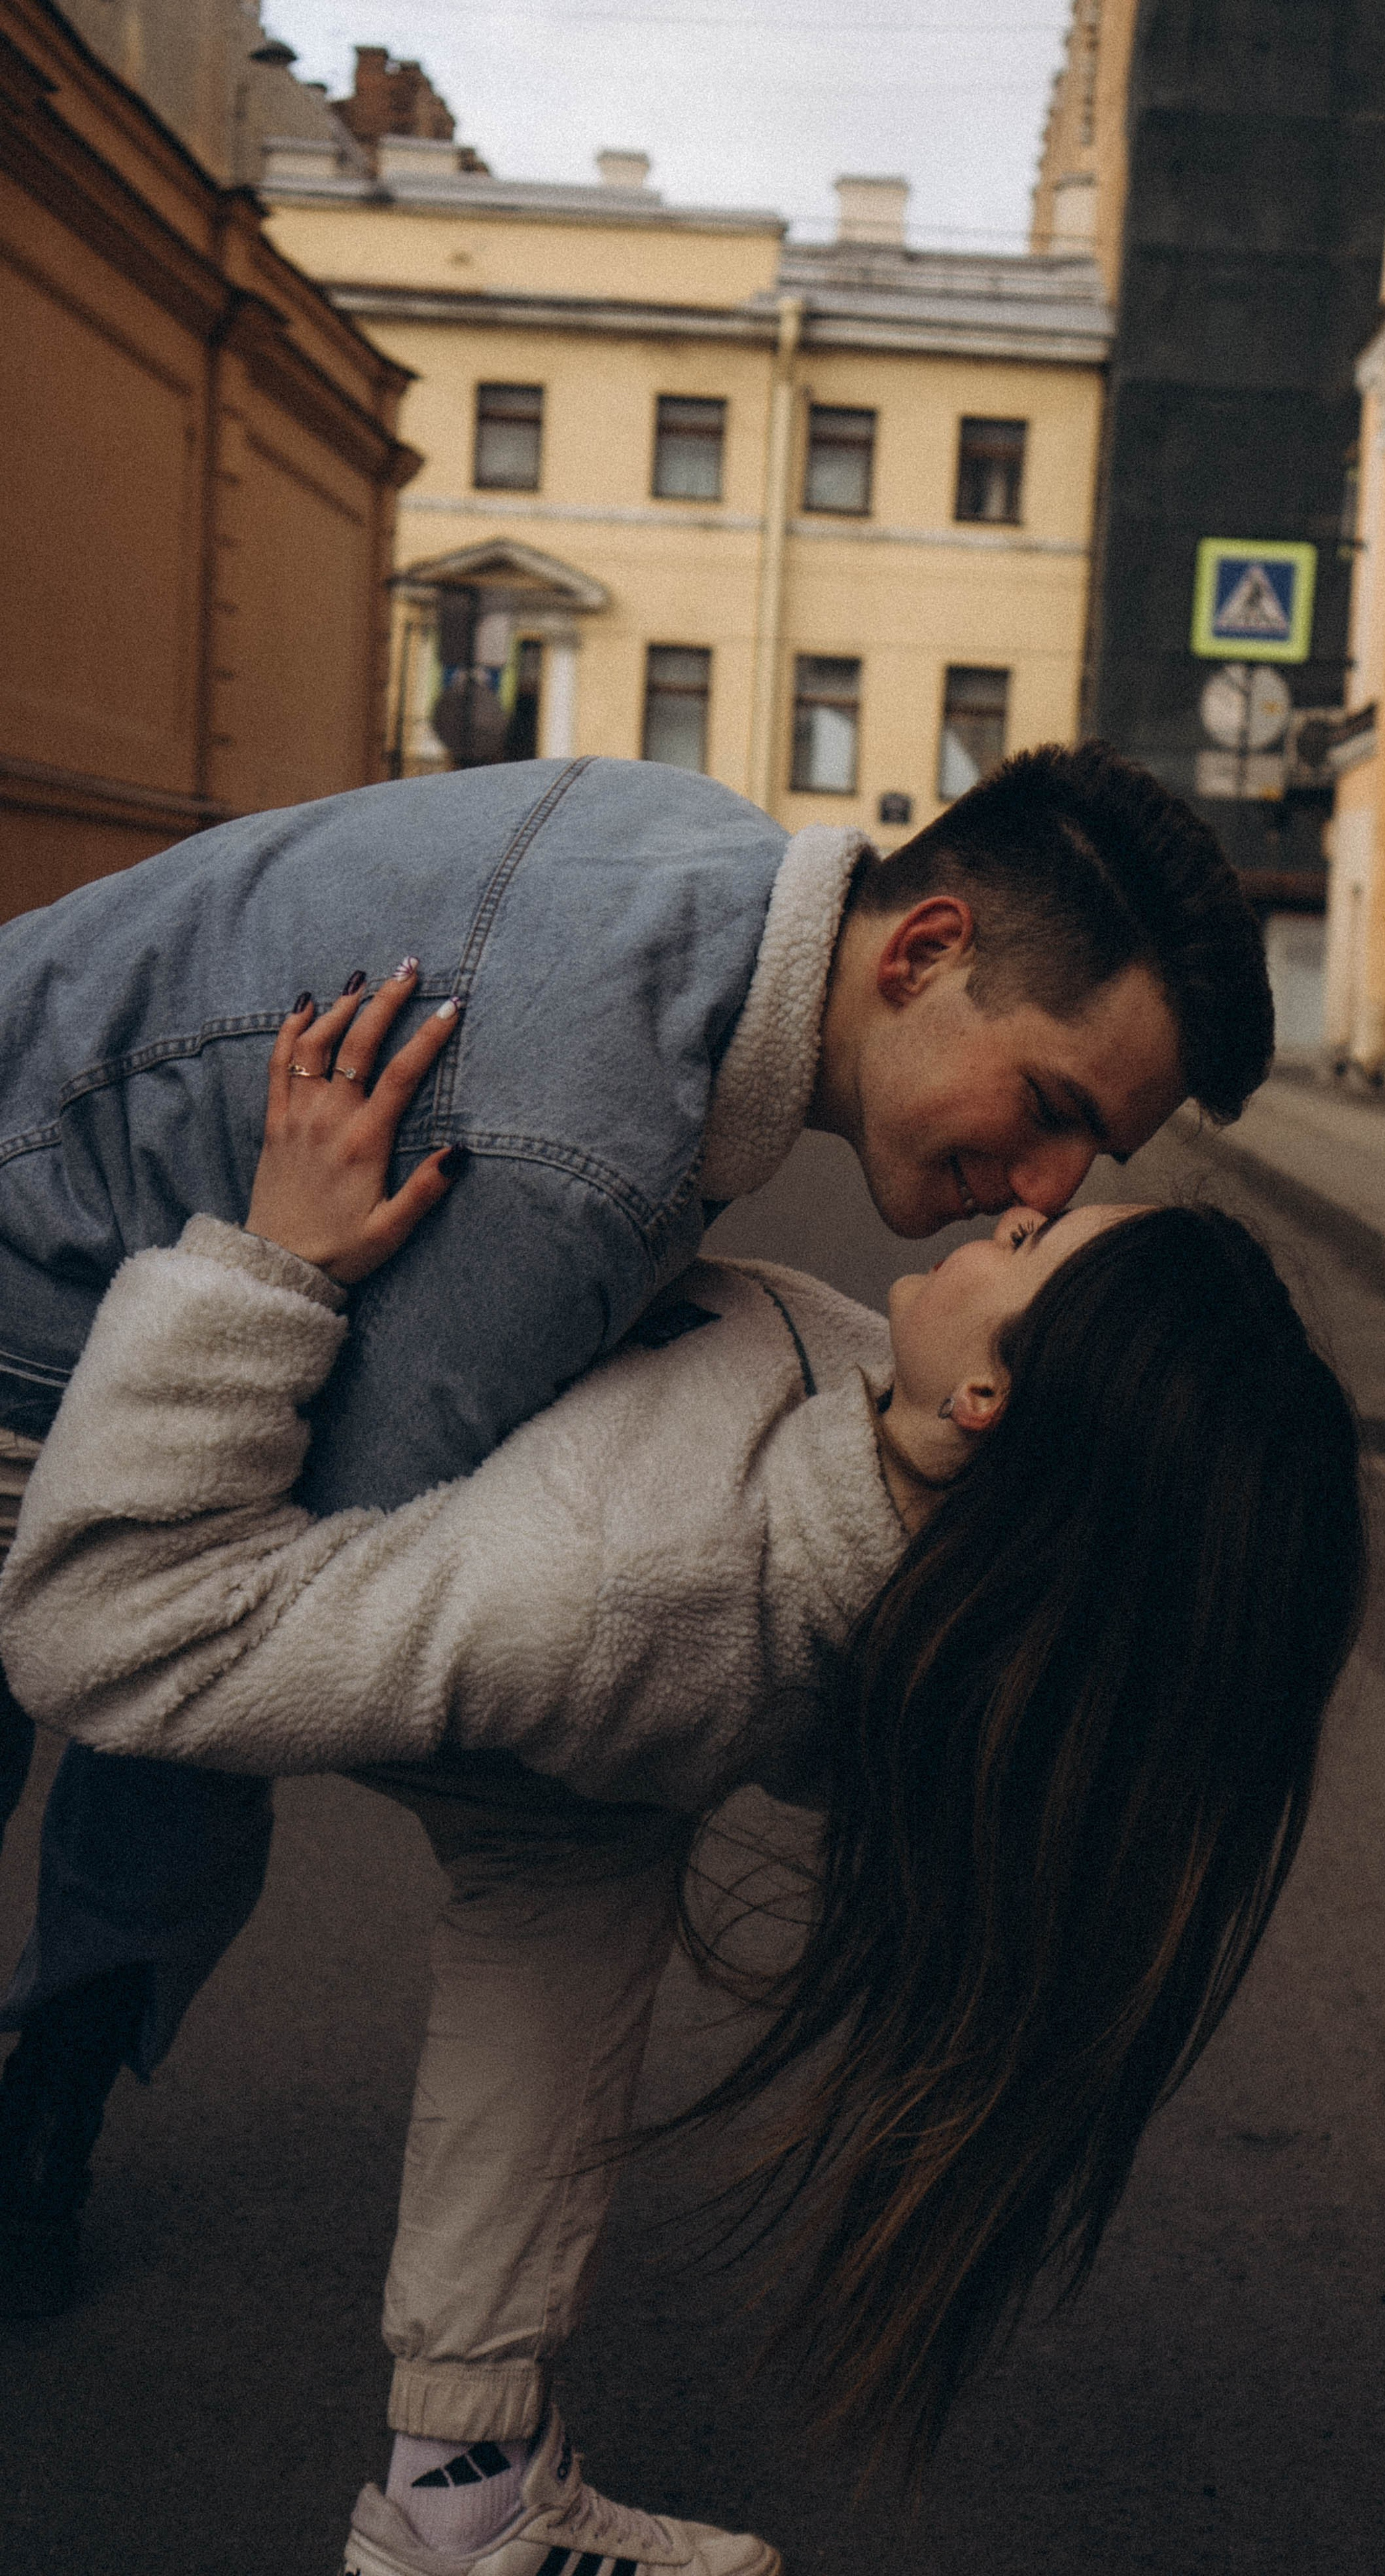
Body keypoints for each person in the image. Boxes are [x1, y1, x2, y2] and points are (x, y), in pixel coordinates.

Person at [0, 967, 1365, 2576]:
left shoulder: (615, 1577)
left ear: (987, 1399)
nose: (1026, 1210)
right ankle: (463, 2504)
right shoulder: (930, 1474)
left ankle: (457, 2508)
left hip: (269, 1561)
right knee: (575, 1878)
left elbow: (116, 1633)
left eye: (1041, 1248)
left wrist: (268, 1267)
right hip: (594, 1670)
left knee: (571, 1863)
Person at [0, 743, 1273, 2320]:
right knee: (514, 1793)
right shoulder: (580, 1159)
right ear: (924, 950)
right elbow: (272, 1590)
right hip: (34, 1284)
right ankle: (56, 2095)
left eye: (1094, 1156)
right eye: (1051, 1107)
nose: (1045, 1191)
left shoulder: (704, 867)